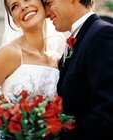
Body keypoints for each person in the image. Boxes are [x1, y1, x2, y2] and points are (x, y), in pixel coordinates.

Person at [0, 0, 65, 139]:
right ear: (14, 21)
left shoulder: (58, 59)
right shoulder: (10, 53)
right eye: (14, 6)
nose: (23, 6)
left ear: (44, 5)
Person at [42, 0, 113, 140]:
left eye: (49, 3)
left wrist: (53, 132)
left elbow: (107, 117)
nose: (45, 13)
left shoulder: (102, 35)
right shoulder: (74, 42)